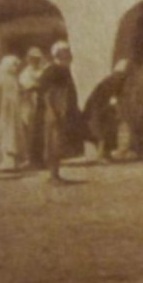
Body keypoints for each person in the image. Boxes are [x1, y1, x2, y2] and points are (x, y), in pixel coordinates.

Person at [35, 41, 83, 182]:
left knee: (59, 143)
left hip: (62, 111)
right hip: (53, 112)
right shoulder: (52, 71)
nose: (68, 54)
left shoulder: (63, 69)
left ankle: (56, 174)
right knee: (52, 143)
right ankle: (53, 175)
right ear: (58, 54)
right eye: (65, 52)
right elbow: (47, 94)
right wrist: (52, 111)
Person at [81, 59, 129, 161]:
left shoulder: (114, 79)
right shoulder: (115, 79)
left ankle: (105, 153)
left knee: (108, 128)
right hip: (98, 107)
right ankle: (102, 154)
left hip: (102, 106)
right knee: (102, 130)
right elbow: (113, 95)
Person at [18, 47, 48, 167]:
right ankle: (30, 158)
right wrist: (36, 86)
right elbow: (27, 86)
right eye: (32, 58)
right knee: (29, 131)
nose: (34, 61)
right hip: (29, 103)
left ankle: (40, 158)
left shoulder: (42, 70)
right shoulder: (25, 73)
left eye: (37, 59)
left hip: (41, 103)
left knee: (41, 131)